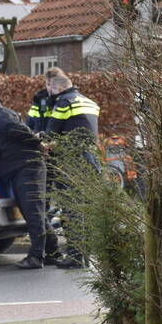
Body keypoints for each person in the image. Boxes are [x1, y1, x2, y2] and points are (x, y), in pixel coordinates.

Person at [0, 91, 60, 269]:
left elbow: (18, 130)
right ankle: (53, 253)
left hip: (26, 168)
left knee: (33, 213)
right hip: (22, 168)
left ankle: (36, 257)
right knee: (36, 212)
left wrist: (38, 143)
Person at [43, 69, 101, 269]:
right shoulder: (89, 102)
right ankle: (83, 255)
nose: (47, 90)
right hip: (91, 162)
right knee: (83, 210)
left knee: (71, 210)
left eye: (47, 86)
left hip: (71, 163)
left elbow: (50, 136)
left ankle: (75, 257)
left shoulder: (64, 103)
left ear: (53, 84)